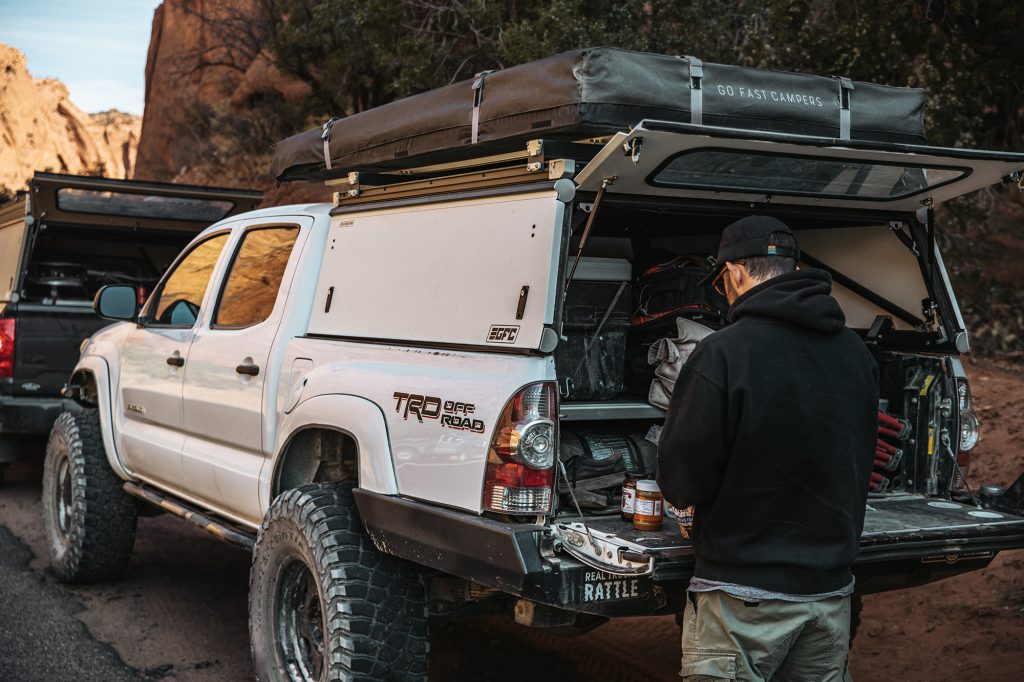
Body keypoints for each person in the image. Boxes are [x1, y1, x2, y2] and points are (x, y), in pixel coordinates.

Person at [656, 215, 878, 681]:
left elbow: (681, 476)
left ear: (734, 273)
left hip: (743, 600)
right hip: (830, 596)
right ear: (795, 271)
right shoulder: (856, 355)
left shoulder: (724, 353)